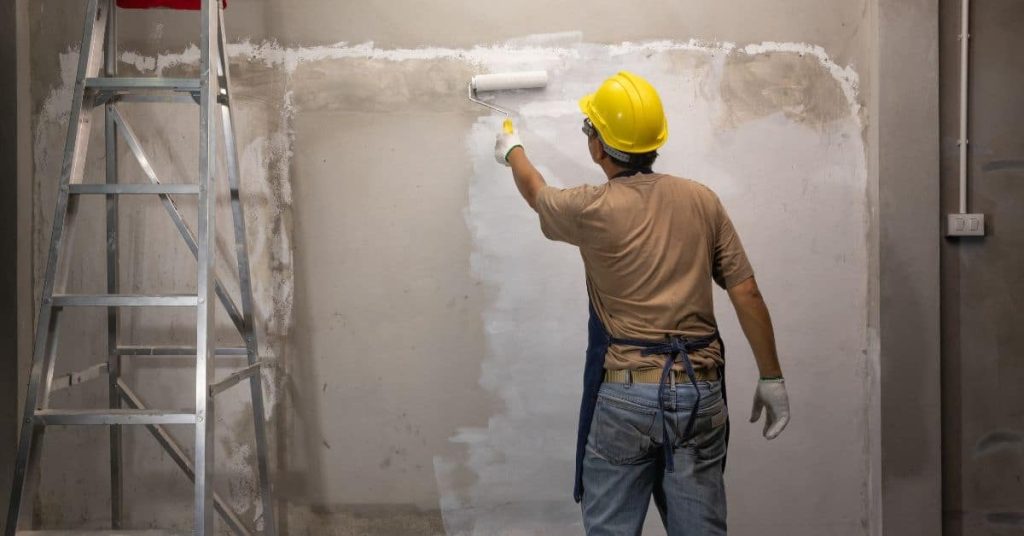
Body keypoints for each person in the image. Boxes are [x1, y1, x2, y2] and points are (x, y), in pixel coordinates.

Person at [493, 71, 791, 535]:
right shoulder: (702, 200)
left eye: (589, 130)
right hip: (699, 392)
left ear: (598, 145)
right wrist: (771, 376)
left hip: (626, 394)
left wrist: (512, 149)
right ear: (655, 142)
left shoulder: (590, 207)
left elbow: (536, 192)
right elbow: (745, 290)